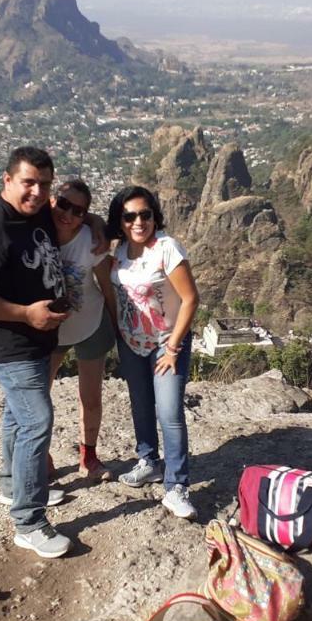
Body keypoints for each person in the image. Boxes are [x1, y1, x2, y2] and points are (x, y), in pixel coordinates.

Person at [0, 146, 72, 558]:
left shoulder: (34, 211)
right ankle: (29, 521)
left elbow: (65, 213)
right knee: (37, 423)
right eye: (28, 183)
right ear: (7, 180)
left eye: (43, 184)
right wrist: (26, 314)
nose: (37, 192)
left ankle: (12, 486)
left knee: (16, 417)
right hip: (10, 346)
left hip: (35, 342)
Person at [103, 186, 200, 520]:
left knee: (169, 412)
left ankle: (176, 486)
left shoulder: (167, 248)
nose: (138, 221)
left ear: (155, 215)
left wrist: (173, 347)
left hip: (165, 342)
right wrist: (119, 335)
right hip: (131, 343)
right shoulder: (118, 252)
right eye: (129, 216)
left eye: (145, 214)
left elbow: (190, 299)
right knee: (141, 405)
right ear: (120, 220)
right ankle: (149, 461)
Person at [48, 179, 116, 482]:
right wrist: (92, 216)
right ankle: (40, 455)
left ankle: (88, 455)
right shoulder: (37, 233)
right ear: (52, 200)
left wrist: (117, 323)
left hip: (92, 322)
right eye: (63, 204)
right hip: (50, 331)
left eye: (78, 211)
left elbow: (107, 285)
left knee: (90, 397)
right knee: (38, 397)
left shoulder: (91, 241)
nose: (69, 214)